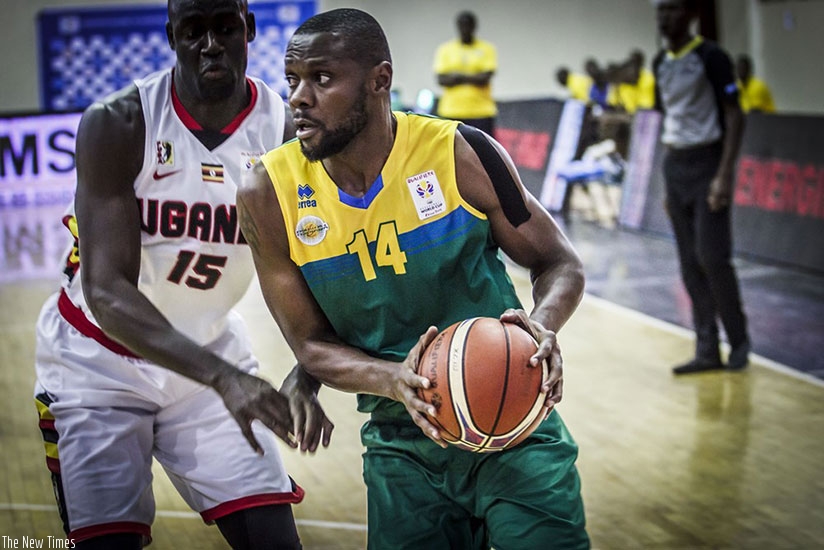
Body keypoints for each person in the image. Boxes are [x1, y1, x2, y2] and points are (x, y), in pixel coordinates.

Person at [238, 8, 590, 550]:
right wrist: (392, 380)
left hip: (517, 421)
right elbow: (310, 344)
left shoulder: (459, 153)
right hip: (401, 443)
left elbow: (559, 262)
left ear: (380, 80)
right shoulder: (268, 192)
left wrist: (541, 326)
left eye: (322, 78)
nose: (298, 99)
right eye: (293, 81)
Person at [33, 0, 333, 547]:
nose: (211, 44)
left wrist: (309, 371)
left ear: (250, 28)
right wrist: (223, 377)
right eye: (194, 30)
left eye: (225, 27)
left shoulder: (286, 131)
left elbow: (322, 267)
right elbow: (107, 292)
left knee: (274, 540)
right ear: (172, 35)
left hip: (209, 350)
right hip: (98, 365)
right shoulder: (121, 122)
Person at [653, 0, 751, 374]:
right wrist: (667, 184)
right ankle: (707, 349)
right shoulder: (660, 62)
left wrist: (724, 175)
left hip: (708, 163)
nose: (665, 18)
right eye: (661, 11)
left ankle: (739, 342)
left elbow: (734, 113)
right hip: (675, 166)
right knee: (689, 264)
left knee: (714, 259)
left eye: (673, 10)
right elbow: (670, 119)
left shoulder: (712, 56)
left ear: (691, 16)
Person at [433, 11, 498, 135]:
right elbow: (442, 80)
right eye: (462, 25)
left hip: (481, 112)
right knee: (450, 152)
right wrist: (473, 76)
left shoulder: (487, 48)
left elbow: (485, 78)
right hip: (451, 111)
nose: (465, 29)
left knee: (482, 152)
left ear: (474, 26)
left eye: (468, 25)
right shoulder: (445, 50)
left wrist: (458, 77)